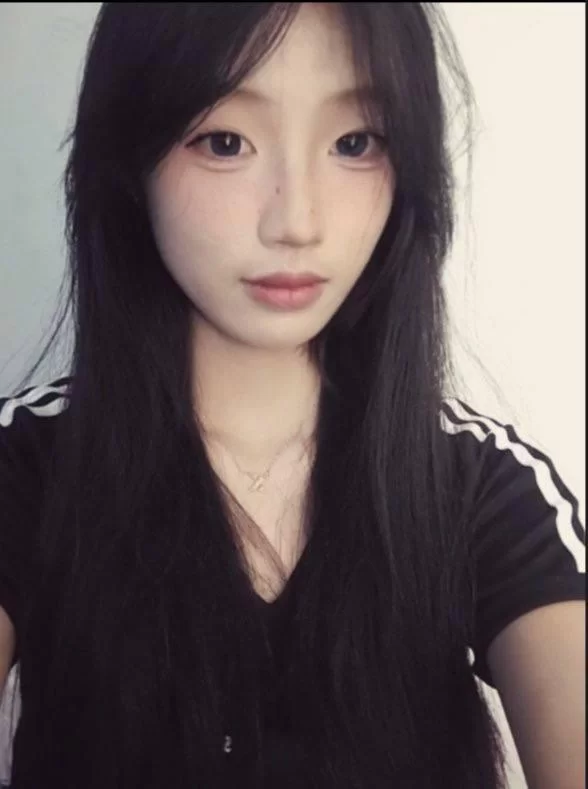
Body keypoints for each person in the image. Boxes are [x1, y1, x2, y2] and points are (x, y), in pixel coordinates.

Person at [0, 3, 585, 788]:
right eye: (224, 141)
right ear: (130, 159)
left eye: (355, 142)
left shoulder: (480, 485)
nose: (298, 221)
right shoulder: (29, 468)